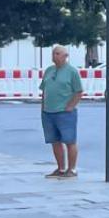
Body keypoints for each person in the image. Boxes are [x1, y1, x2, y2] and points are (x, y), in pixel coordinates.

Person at [39, 45, 83, 179]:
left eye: (58, 54)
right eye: (53, 54)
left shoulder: (72, 72)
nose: (55, 56)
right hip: (48, 111)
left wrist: (70, 106)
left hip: (64, 112)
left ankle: (72, 169)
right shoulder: (49, 71)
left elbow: (78, 91)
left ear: (65, 56)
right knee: (54, 141)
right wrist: (43, 106)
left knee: (69, 141)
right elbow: (44, 90)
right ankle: (61, 168)